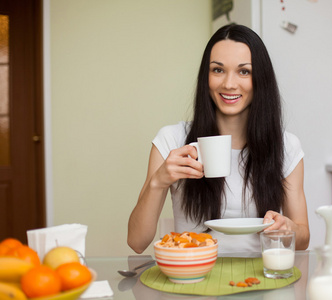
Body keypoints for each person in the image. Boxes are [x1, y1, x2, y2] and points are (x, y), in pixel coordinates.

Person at [128, 24, 309, 254]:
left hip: (261, 280)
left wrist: (289, 228)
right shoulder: (172, 140)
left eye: (244, 71)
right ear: (206, 77)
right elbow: (136, 242)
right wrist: (158, 181)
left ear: (260, 79)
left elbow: (303, 239)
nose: (229, 84)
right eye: (218, 70)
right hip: (194, 278)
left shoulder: (286, 147)